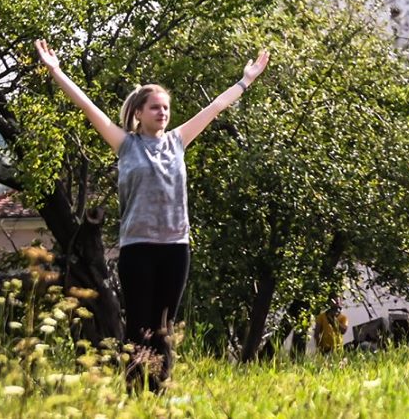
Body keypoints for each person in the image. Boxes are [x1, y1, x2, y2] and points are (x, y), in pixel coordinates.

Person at [34, 38, 268, 391]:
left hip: (176, 247)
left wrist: (246, 80)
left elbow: (216, 107)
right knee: (139, 325)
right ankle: (134, 391)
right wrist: (56, 71)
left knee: (163, 326)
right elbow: (86, 105)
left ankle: (159, 391)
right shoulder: (125, 144)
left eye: (166, 108)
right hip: (138, 248)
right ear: (139, 113)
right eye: (155, 108)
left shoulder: (178, 141)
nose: (162, 113)